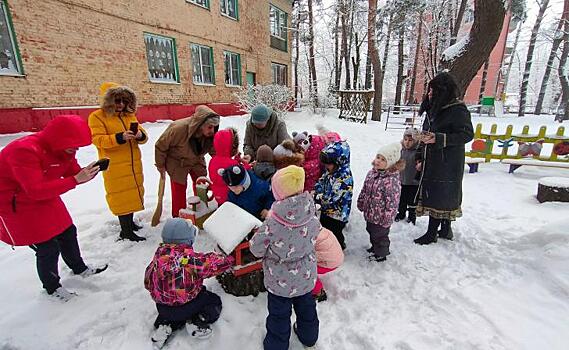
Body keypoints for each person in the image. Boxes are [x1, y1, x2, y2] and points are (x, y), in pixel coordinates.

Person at [0, 115, 108, 301]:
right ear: (59, 138)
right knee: (47, 247)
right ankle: (52, 287)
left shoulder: (63, 149)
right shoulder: (24, 151)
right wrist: (75, 180)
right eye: (73, 145)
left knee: (67, 231)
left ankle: (79, 268)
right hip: (16, 205)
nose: (76, 149)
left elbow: (72, 172)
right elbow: (34, 190)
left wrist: (88, 172)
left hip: (46, 197)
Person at [250, 166, 319, 350]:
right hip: (305, 276)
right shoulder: (311, 213)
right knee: (307, 309)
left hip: (279, 281)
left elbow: (256, 249)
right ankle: (309, 337)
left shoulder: (272, 223)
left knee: (279, 315)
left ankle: (276, 345)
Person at [145, 218, 234, 348]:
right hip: (186, 306)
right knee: (213, 300)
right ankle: (198, 321)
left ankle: (164, 326)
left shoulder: (158, 259)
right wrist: (228, 259)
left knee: (172, 313)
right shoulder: (187, 261)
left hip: (163, 308)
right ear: (187, 240)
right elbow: (210, 265)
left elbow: (147, 282)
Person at [413, 72, 474, 245]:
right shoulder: (433, 110)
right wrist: (419, 156)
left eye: (433, 91)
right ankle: (445, 230)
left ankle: (432, 233)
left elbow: (466, 134)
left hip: (448, 162)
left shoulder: (457, 110)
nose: (430, 94)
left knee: (442, 195)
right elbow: (427, 133)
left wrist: (439, 138)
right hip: (432, 159)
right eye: (429, 91)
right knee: (438, 194)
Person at [88, 82, 147, 242]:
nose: (121, 104)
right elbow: (97, 139)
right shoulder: (97, 116)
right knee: (121, 196)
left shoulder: (129, 115)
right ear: (108, 100)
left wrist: (139, 136)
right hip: (114, 165)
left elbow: (143, 133)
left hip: (133, 163)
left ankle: (129, 224)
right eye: (117, 100)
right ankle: (126, 231)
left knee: (132, 194)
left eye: (124, 100)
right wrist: (119, 137)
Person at [155, 105, 220, 217]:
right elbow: (160, 146)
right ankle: (178, 217)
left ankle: (201, 212)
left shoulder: (210, 134)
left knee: (201, 185)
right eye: (210, 127)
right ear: (200, 125)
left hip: (196, 160)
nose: (213, 131)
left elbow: (214, 151)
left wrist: (221, 161)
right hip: (177, 162)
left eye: (215, 127)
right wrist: (160, 165)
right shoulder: (178, 129)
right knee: (179, 189)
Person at [357, 143, 403, 261]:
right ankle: (375, 247)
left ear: (390, 163)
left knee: (380, 236)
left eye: (383, 159)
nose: (378, 161)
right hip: (370, 213)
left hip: (382, 217)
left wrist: (388, 218)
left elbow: (393, 202)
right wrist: (361, 201)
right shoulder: (371, 173)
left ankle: (381, 253)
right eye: (378, 157)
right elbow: (364, 189)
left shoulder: (391, 181)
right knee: (371, 231)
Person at [314, 140, 353, 250]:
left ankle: (339, 247)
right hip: (327, 211)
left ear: (339, 161)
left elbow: (334, 197)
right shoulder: (330, 171)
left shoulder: (344, 178)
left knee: (335, 232)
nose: (326, 166)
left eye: (328, 163)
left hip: (338, 214)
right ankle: (329, 246)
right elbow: (322, 181)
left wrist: (318, 197)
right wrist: (317, 189)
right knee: (326, 228)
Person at [208, 127, 249, 205]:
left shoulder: (212, 160)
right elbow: (243, 173)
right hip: (231, 197)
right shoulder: (232, 164)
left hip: (218, 195)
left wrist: (236, 160)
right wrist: (246, 165)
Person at [396, 128, 420, 225]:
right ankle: (401, 213)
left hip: (414, 181)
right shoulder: (401, 149)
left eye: (410, 140)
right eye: (405, 139)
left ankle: (412, 215)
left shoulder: (418, 151)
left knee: (412, 199)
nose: (407, 142)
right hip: (401, 179)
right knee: (401, 198)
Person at [312, 227, 343, 302]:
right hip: (337, 257)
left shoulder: (308, 236)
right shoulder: (319, 228)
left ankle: (318, 292)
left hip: (328, 263)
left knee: (304, 270)